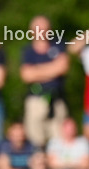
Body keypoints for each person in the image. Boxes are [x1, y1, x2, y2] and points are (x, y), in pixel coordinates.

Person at [19, 16, 69, 148]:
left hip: (57, 100)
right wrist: (52, 68)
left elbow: (63, 67)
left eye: (44, 28)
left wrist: (37, 71)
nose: (42, 31)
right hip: (36, 99)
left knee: (59, 141)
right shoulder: (28, 51)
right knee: (35, 141)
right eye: (38, 28)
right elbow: (26, 76)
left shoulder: (58, 45)